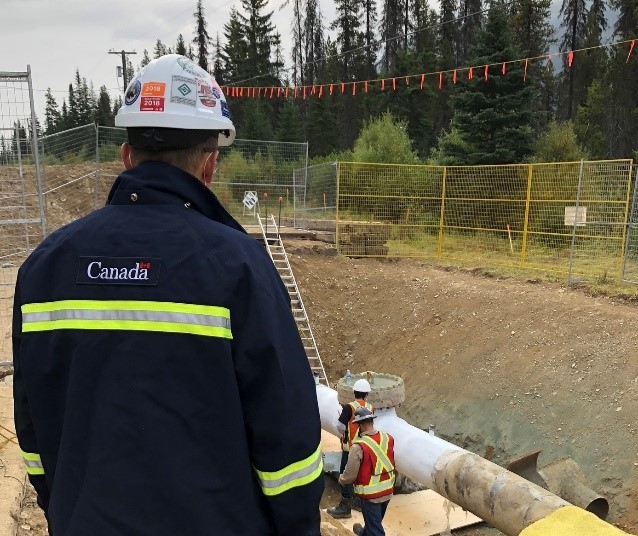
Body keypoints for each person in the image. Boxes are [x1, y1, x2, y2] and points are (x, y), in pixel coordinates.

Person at [12, 54, 323, 536]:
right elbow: (288, 450)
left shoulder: (43, 268)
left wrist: (67, 510)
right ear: (210, 163)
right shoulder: (239, 268)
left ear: (125, 155)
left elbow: (33, 437)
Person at [338, 407, 395, 536]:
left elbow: (350, 475)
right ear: (371, 422)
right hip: (388, 490)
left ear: (361, 425)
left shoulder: (359, 446)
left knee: (375, 530)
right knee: (373, 523)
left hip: (371, 495)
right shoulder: (388, 438)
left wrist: (342, 479)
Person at [328, 378, 374, 519]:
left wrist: (346, 434)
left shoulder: (349, 407)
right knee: (362, 475)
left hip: (350, 449)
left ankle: (345, 507)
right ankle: (359, 502)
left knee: (346, 476)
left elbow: (339, 426)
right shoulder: (370, 407)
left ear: (354, 392)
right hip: (365, 447)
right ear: (367, 394)